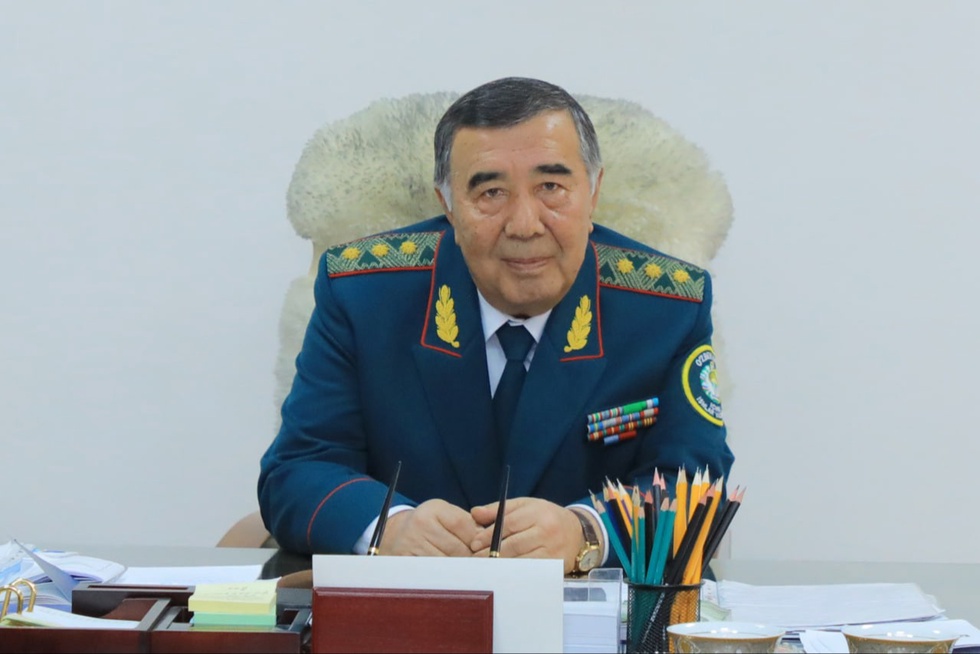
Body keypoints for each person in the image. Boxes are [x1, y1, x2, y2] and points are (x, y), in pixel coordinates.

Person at [258, 77, 734, 575]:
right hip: (412, 601)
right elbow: (299, 468)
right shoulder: (363, 295)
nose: (524, 224)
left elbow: (696, 485)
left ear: (593, 192)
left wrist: (587, 532)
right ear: (447, 205)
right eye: (491, 192)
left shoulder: (666, 308)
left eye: (551, 188)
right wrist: (389, 527)